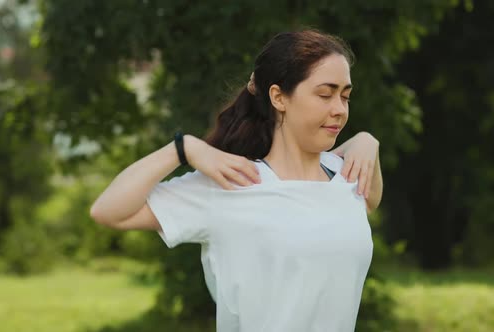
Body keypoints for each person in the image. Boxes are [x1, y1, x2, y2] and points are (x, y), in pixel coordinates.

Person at [90, 29, 382, 332]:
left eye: (345, 96)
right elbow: (108, 210)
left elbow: (370, 198)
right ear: (279, 97)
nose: (339, 109)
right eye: (325, 94)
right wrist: (183, 148)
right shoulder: (233, 184)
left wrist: (366, 141)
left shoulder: (345, 176)